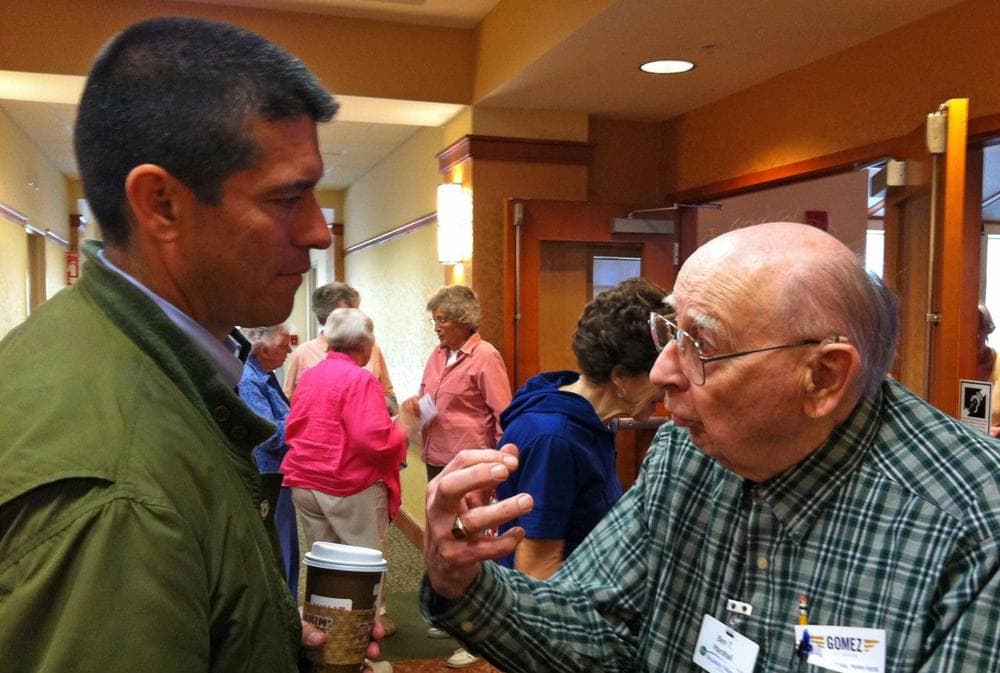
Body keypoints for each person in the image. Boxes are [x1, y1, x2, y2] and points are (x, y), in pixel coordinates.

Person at [419, 222, 1000, 673]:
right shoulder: (685, 452)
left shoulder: (974, 531)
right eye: (670, 332)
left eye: (702, 344)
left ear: (823, 377)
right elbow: (597, 627)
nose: (665, 371)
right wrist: (462, 582)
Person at [0, 16, 385, 672]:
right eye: (289, 197)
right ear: (162, 205)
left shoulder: (114, 348)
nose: (321, 232)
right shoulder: (122, 495)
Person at [495, 278, 668, 579]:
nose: (669, 383)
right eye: (659, 371)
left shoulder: (592, 423)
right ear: (621, 376)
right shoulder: (556, 439)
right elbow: (536, 570)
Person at [282, 308, 415, 641]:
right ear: (365, 344)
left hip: (306, 480)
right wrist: (406, 426)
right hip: (347, 485)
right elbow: (374, 440)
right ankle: (356, 647)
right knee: (362, 569)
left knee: (325, 565)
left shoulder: (312, 374)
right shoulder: (360, 379)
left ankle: (325, 641)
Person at [400, 284, 512, 657]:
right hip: (436, 458)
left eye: (443, 320)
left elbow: (502, 413)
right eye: (435, 320)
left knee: (470, 541)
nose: (437, 327)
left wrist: (500, 467)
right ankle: (448, 612)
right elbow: (430, 399)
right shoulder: (437, 354)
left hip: (471, 464)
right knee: (441, 538)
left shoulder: (485, 356)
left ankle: (475, 634)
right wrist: (417, 407)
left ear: (465, 321)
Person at [238, 323, 299, 598]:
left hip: (278, 472)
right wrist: (305, 421)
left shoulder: (265, 374)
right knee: (280, 548)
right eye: (284, 343)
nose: (290, 349)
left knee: (284, 546)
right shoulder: (249, 380)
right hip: (268, 475)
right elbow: (268, 435)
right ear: (262, 347)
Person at [283, 282, 397, 415]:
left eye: (357, 310)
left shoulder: (371, 348)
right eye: (349, 312)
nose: (359, 316)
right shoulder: (302, 354)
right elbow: (288, 402)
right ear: (328, 318)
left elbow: (388, 393)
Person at [974, 303, 1000, 435]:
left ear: (988, 330)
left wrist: (995, 431)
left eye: (979, 328)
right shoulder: (949, 368)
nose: (974, 335)